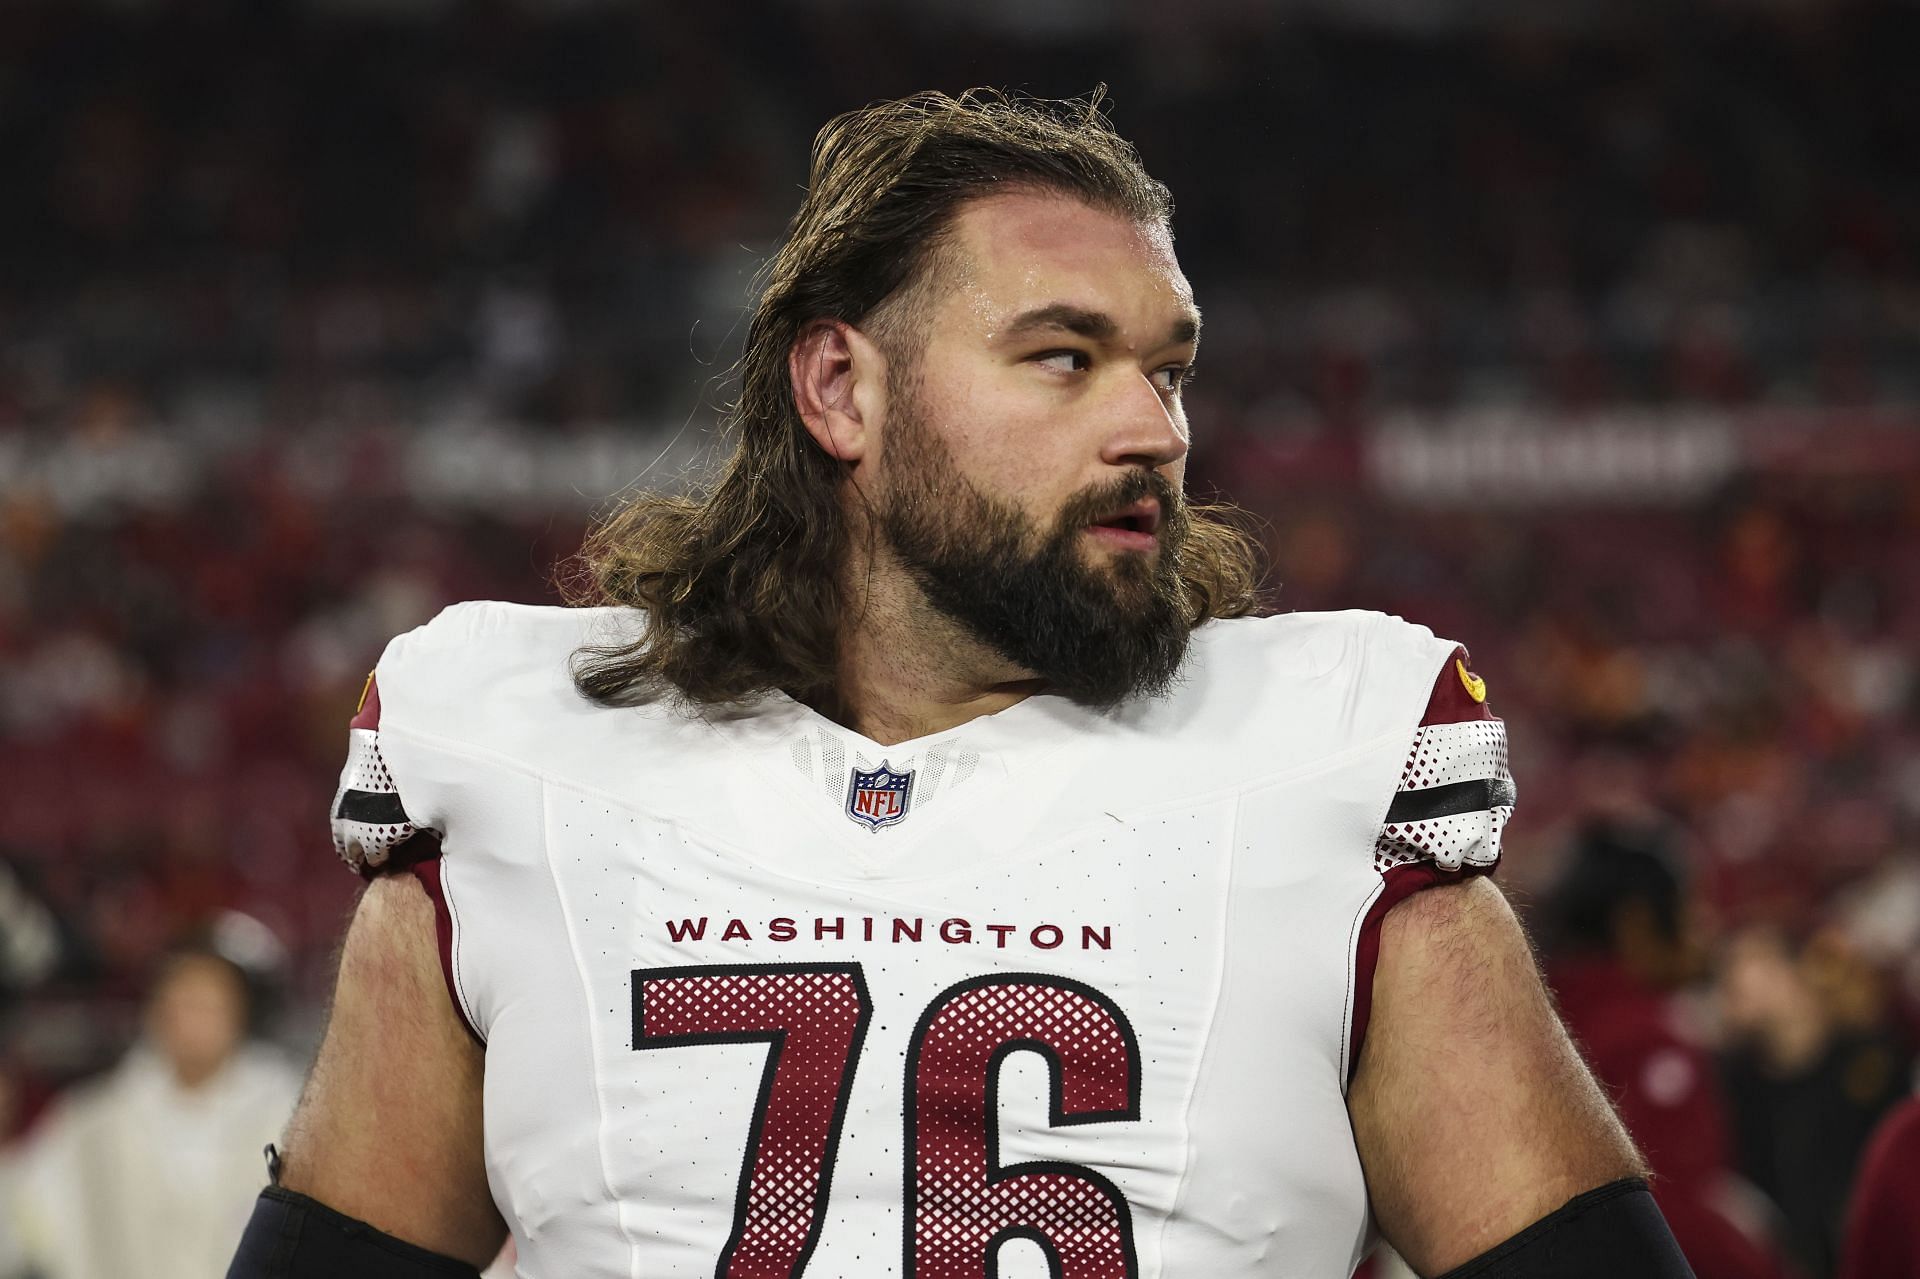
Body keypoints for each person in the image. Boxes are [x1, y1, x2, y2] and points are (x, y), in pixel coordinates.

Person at [231, 89, 1693, 1278]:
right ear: (841, 390)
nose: (1155, 429)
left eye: (1167, 370)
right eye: (1064, 358)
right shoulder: (526, 760)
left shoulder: (1318, 765)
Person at [1541, 823, 1794, 1278]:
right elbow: (1669, 1214)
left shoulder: (1531, 1015)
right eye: (1687, 907)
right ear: (1636, 923)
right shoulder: (1648, 1039)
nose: (1704, 926)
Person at [16, 922, 301, 1279]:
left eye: (211, 1002)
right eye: (185, 1000)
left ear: (240, 1013)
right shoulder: (93, 1119)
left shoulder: (291, 1119)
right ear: (158, 1009)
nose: (196, 1019)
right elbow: (26, 1220)